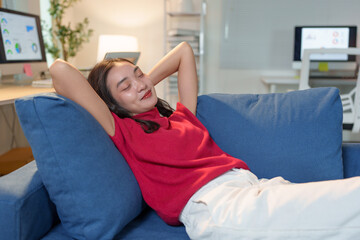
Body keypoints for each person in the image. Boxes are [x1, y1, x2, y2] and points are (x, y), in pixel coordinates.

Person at [50, 42, 360, 240]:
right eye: (125, 85)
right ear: (111, 104)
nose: (141, 83)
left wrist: (139, 86)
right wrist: (116, 103)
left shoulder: (183, 117)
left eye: (139, 74)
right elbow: (59, 71)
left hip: (256, 187)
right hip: (218, 207)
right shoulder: (123, 130)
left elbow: (184, 51)